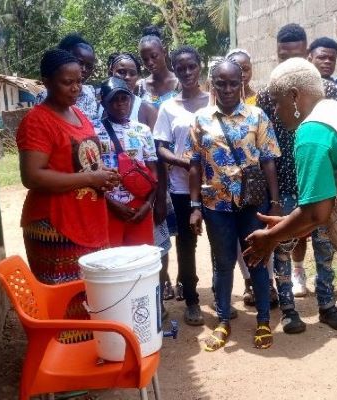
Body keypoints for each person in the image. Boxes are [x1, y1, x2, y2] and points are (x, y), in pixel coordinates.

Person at [244, 56, 337, 400]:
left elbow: (315, 213)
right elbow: (317, 205)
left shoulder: (310, 132)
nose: (276, 113)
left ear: (295, 97)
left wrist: (269, 239)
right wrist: (288, 223)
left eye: (278, 103)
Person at [16, 49, 120, 342]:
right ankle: (60, 371)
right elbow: (32, 176)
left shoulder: (78, 114)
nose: (75, 88)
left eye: (79, 81)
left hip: (86, 220)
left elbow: (83, 161)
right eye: (66, 82)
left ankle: (82, 361)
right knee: (63, 298)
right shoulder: (38, 121)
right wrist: (90, 178)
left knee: (87, 293)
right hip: (55, 225)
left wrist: (102, 179)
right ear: (46, 81)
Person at [257, 23, 337, 333]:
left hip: (323, 184)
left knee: (325, 248)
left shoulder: (331, 91)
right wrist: (271, 195)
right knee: (283, 244)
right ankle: (288, 310)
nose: (289, 63)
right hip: (285, 184)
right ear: (276, 53)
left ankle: (326, 306)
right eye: (283, 56)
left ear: (307, 53)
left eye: (296, 56)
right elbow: (265, 147)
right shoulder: (267, 94)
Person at [188, 59, 281, 351]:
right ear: (212, 84)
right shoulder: (201, 119)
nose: (227, 89)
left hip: (253, 204)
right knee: (224, 263)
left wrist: (275, 204)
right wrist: (194, 206)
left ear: (241, 82)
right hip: (217, 206)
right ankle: (224, 320)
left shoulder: (257, 116)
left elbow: (268, 161)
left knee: (257, 261)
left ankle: (264, 320)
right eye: (221, 83)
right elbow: (194, 165)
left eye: (233, 83)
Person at [154, 45, 208, 326]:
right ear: (174, 70)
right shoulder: (168, 107)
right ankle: (191, 300)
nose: (187, 72)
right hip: (182, 187)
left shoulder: (215, 101)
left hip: (218, 187)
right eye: (181, 67)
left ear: (201, 65)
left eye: (192, 66)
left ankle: (223, 298)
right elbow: (160, 148)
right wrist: (186, 163)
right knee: (187, 245)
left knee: (223, 243)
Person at [226, 48, 279, 308]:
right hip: (228, 187)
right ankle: (249, 282)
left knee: (259, 231)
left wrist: (274, 193)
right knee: (237, 238)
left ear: (251, 70)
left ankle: (267, 283)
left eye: (245, 68)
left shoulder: (263, 101)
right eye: (236, 68)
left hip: (257, 184)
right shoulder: (216, 104)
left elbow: (269, 150)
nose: (242, 73)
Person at [138, 26, 179, 302]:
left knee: (185, 230)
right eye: (145, 59)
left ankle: (185, 279)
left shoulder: (181, 82)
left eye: (154, 56)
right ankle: (163, 280)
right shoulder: (140, 86)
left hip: (182, 168)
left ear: (164, 52)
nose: (150, 62)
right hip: (154, 167)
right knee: (159, 228)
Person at [95, 77, 157, 247]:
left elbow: (153, 171)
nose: (120, 103)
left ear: (130, 99)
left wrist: (148, 204)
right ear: (103, 103)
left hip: (139, 204)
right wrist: (112, 204)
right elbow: (89, 173)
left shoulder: (142, 130)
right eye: (113, 99)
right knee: (112, 261)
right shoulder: (93, 130)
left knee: (140, 260)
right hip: (107, 204)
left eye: (124, 98)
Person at [36, 33, 98, 122]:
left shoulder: (89, 93)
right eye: (80, 62)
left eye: (89, 66)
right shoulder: (45, 97)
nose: (84, 69)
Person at [107, 52, 157, 130]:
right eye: (121, 72)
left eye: (132, 73)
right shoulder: (97, 105)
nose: (127, 77)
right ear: (111, 73)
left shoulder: (147, 110)